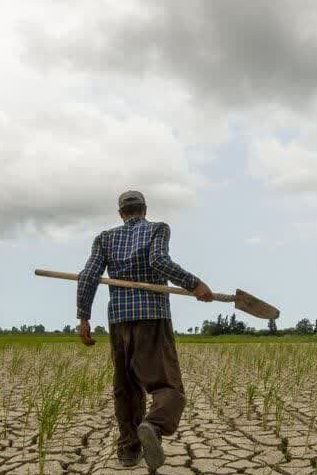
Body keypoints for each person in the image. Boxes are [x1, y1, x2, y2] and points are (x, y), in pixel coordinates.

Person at [76, 190, 214, 471]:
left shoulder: (105, 238)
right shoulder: (158, 229)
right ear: (144, 209)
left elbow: (89, 275)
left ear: (120, 214)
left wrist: (83, 318)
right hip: (152, 318)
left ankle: (128, 451)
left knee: (126, 388)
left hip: (119, 321)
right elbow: (158, 262)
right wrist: (193, 283)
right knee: (166, 385)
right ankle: (153, 425)